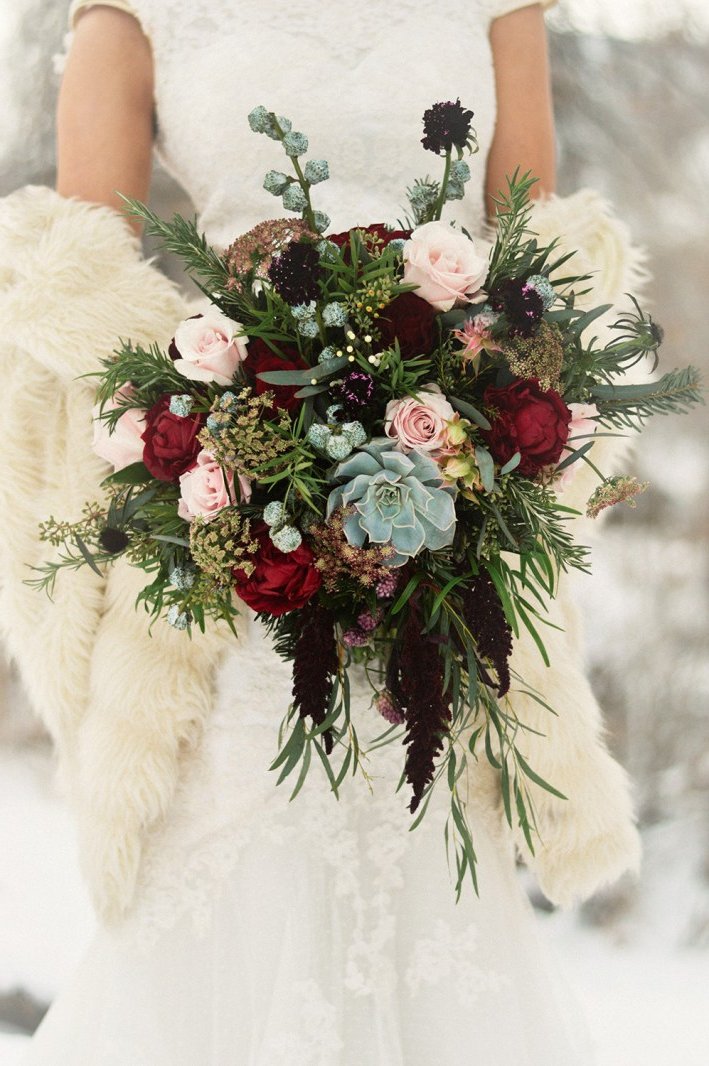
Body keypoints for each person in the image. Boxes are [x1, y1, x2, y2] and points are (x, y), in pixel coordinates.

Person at [0, 1, 644, 1062]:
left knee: (434, 864)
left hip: (442, 534)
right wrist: (220, 431)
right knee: (241, 868)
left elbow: (541, 254)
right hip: (243, 548)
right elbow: (79, 274)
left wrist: (478, 410)